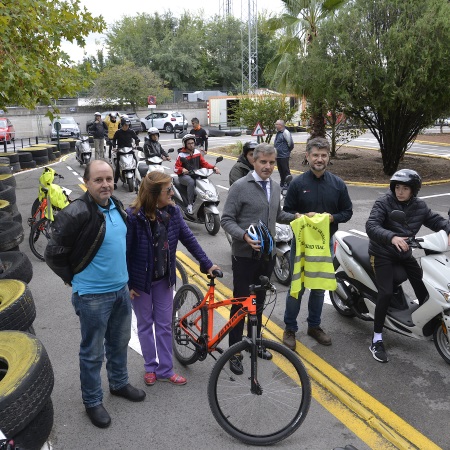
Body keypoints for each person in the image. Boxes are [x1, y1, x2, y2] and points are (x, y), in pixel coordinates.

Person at [44, 160, 145, 429]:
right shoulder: (76, 212)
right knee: (92, 352)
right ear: (87, 183)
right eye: (99, 180)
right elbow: (53, 254)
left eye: (109, 179)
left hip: (121, 291)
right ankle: (92, 401)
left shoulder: (117, 207)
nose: (106, 184)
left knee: (119, 342)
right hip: (92, 297)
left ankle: (119, 383)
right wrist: (72, 279)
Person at [126, 171, 220, 386]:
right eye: (168, 190)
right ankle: (150, 367)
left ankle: (166, 369)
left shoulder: (173, 212)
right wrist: (129, 282)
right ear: (153, 194)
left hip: (163, 279)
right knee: (144, 325)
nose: (172, 192)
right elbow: (124, 251)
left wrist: (207, 264)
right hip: (140, 282)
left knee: (165, 325)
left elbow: (189, 240)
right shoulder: (134, 216)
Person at [221, 143, 300, 375]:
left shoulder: (275, 187)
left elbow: (277, 214)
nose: (268, 166)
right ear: (253, 161)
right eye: (263, 162)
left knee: (259, 302)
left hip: (267, 256)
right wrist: (244, 236)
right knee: (241, 303)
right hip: (244, 256)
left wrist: (298, 216)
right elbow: (226, 220)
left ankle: (253, 342)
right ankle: (234, 351)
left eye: (272, 162)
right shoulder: (240, 186)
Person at [366, 169, 450, 363]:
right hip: (382, 253)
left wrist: (448, 230)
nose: (400, 192)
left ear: (414, 191)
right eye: (397, 187)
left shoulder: (420, 206)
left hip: (404, 252)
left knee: (423, 282)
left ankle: (429, 320)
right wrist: (392, 237)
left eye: (405, 188)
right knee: (385, 292)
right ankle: (376, 337)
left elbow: (435, 221)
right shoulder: (384, 203)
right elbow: (371, 226)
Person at [282, 137, 353, 350]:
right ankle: (290, 328)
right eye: (315, 155)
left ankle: (314, 326)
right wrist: (303, 216)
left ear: (328, 157)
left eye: (323, 155)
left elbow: (347, 212)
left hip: (325, 243)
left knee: (319, 287)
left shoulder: (338, 184)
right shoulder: (298, 183)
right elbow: (286, 212)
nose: (319, 159)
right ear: (307, 156)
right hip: (301, 244)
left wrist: (331, 218)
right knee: (298, 287)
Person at [174, 133, 220, 215]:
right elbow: (175, 168)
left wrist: (213, 168)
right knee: (191, 182)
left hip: (196, 174)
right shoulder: (181, 155)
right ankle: (190, 204)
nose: (191, 145)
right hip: (184, 176)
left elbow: (204, 163)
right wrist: (182, 169)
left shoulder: (197, 152)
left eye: (192, 143)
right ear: (185, 144)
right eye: (189, 143)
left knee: (205, 181)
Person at [112, 117, 140, 189]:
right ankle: (115, 182)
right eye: (125, 125)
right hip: (120, 151)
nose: (126, 126)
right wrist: (114, 146)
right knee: (118, 166)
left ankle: (138, 180)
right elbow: (114, 140)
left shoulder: (131, 131)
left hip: (130, 150)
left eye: (128, 125)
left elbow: (136, 138)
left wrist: (137, 142)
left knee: (135, 163)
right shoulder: (118, 132)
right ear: (122, 125)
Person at [274, 120, 294, 187]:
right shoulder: (278, 133)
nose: (275, 125)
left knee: (285, 170)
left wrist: (287, 152)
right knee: (280, 170)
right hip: (278, 155)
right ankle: (282, 182)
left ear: (281, 125)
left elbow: (291, 144)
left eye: (276, 124)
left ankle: (289, 184)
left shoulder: (286, 132)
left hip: (284, 155)